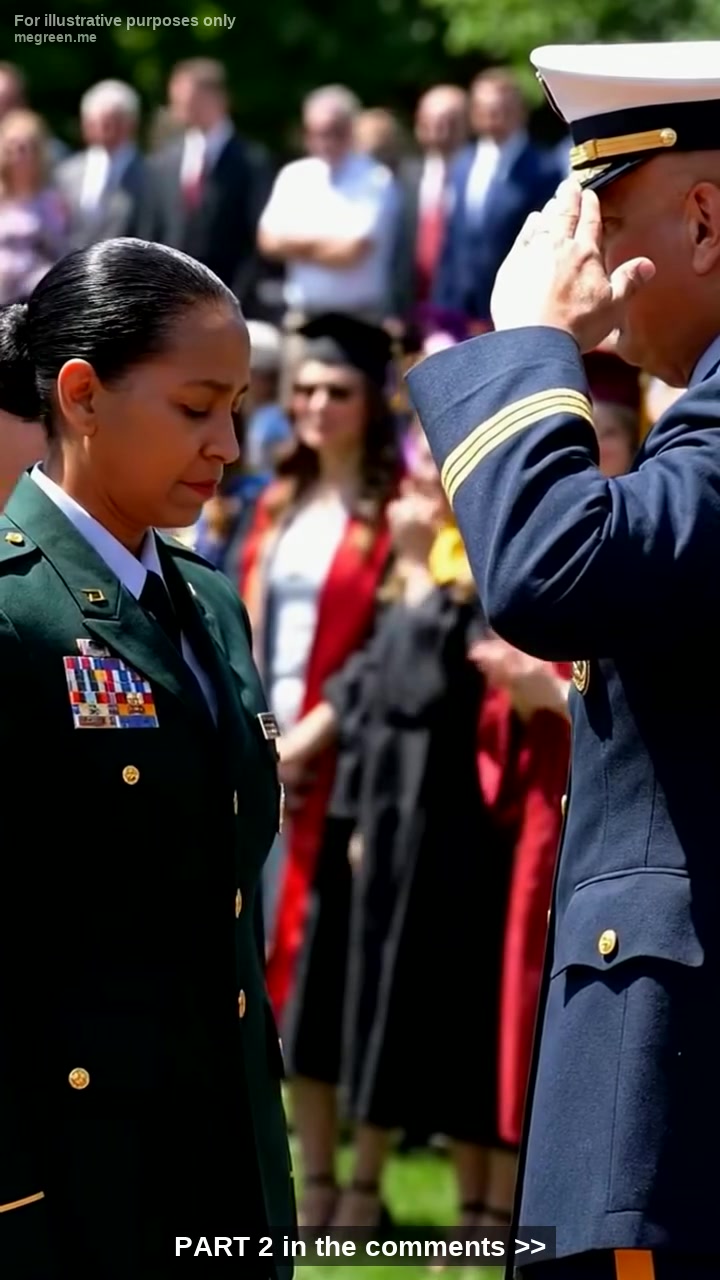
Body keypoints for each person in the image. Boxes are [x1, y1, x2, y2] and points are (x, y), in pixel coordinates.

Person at [407, 40, 720, 1280]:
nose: (576, 257)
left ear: (704, 218)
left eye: (600, 214)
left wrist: (529, 340)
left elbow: (556, 573)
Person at [0, 237, 294, 1278]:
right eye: (194, 405)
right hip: (77, 1184)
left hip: (226, 1167)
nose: (228, 441)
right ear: (81, 395)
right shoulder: (10, 612)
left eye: (237, 405)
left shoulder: (210, 600)